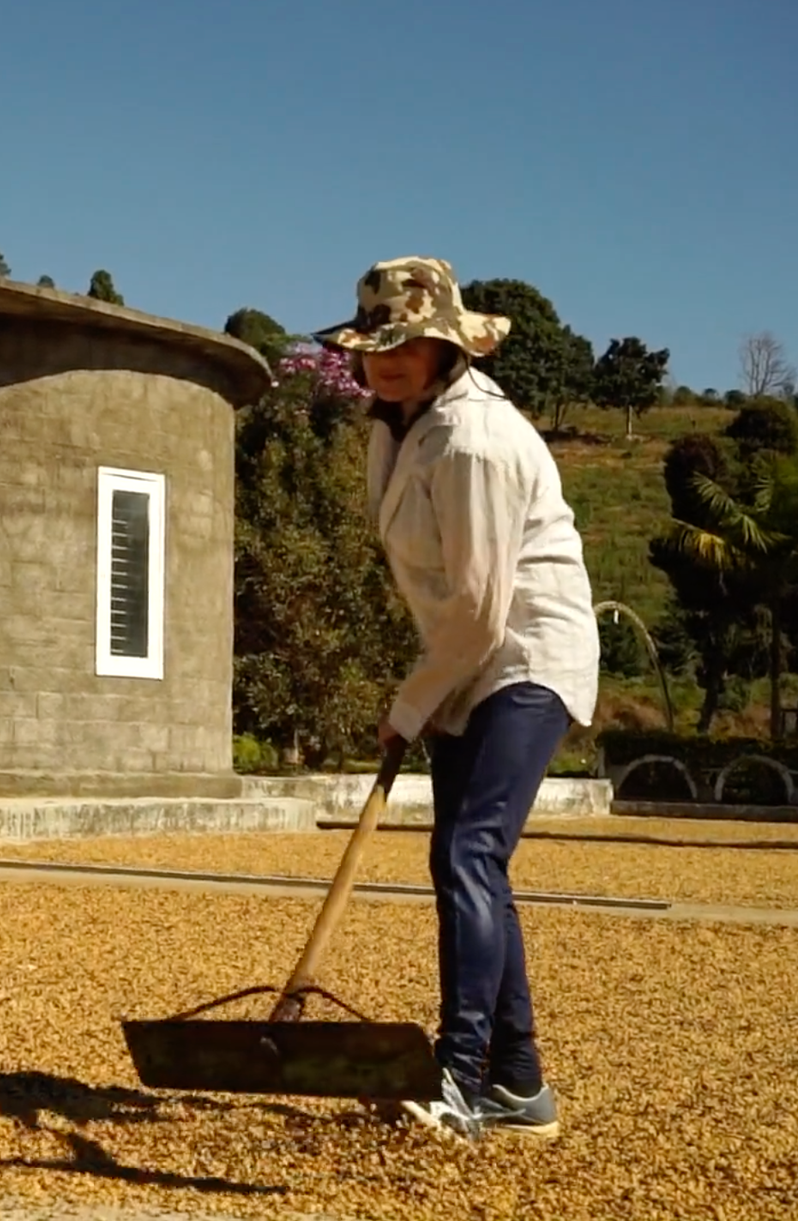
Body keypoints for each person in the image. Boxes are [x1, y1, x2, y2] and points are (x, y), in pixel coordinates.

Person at [314, 256, 600, 1141]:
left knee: (469, 854)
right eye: (377, 347)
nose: (390, 361)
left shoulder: (474, 439)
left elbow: (481, 606)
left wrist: (410, 701)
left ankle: (460, 1077)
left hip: (526, 652)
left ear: (447, 347)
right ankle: (518, 1082)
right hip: (465, 657)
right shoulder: (397, 428)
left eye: (410, 344)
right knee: (469, 860)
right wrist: (431, 687)